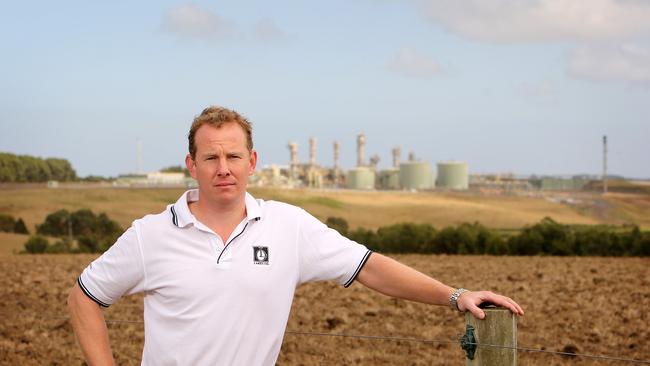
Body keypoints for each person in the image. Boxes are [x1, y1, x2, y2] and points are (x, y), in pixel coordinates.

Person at [68, 106, 524, 365]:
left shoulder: (289, 226)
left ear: (253, 161)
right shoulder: (150, 235)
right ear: (191, 164)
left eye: (233, 156)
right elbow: (84, 297)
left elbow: (369, 267)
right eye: (210, 158)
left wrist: (455, 294)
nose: (223, 168)